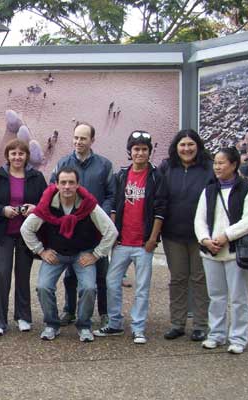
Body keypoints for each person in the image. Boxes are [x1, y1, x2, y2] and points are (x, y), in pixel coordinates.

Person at [21, 167, 118, 342]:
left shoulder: (88, 205)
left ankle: (84, 325)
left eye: (71, 182)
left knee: (89, 288)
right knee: (43, 286)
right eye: (63, 182)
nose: (67, 186)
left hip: (82, 253)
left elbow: (111, 231)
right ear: (56, 184)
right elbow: (26, 228)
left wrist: (96, 255)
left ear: (78, 184)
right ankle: (51, 324)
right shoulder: (47, 204)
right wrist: (41, 251)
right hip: (56, 254)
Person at [95, 130, 167, 345]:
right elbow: (117, 206)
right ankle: (115, 323)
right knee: (112, 281)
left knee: (142, 287)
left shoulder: (156, 176)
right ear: (130, 151)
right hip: (122, 242)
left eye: (144, 149)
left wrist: (153, 238)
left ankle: (138, 327)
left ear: (149, 152)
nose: (140, 153)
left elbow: (160, 210)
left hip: (144, 243)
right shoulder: (122, 174)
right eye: (136, 149)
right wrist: (114, 233)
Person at [194, 147, 248, 354]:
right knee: (216, 296)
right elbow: (200, 218)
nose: (217, 167)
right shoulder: (210, 189)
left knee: (239, 297)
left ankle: (238, 338)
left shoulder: (247, 189)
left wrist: (226, 236)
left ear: (233, 165)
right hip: (211, 252)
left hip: (235, 252)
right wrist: (205, 239)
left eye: (222, 163)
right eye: (215, 163)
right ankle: (216, 334)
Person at [0, 138, 47, 336]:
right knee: (1, 276)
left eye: (21, 154)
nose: (17, 157)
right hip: (2, 234)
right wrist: (2, 210)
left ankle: (23, 317)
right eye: (13, 153)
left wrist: (35, 209)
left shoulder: (37, 177)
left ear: (26, 156)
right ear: (8, 156)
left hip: (26, 234)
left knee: (23, 276)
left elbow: (46, 202)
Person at [50, 122, 115, 327]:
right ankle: (69, 310)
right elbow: (52, 191)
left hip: (96, 228)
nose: (78, 142)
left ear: (92, 141)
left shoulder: (104, 165)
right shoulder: (63, 163)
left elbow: (112, 194)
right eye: (76, 138)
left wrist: (100, 215)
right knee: (71, 274)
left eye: (83, 138)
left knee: (101, 273)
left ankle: (104, 312)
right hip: (70, 228)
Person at [159, 129, 215, 342]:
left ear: (198, 146)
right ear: (176, 147)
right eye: (182, 145)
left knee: (200, 279)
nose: (187, 149)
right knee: (178, 279)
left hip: (201, 236)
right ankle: (177, 324)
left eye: (191, 144)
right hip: (173, 234)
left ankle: (201, 325)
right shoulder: (167, 167)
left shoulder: (208, 169)